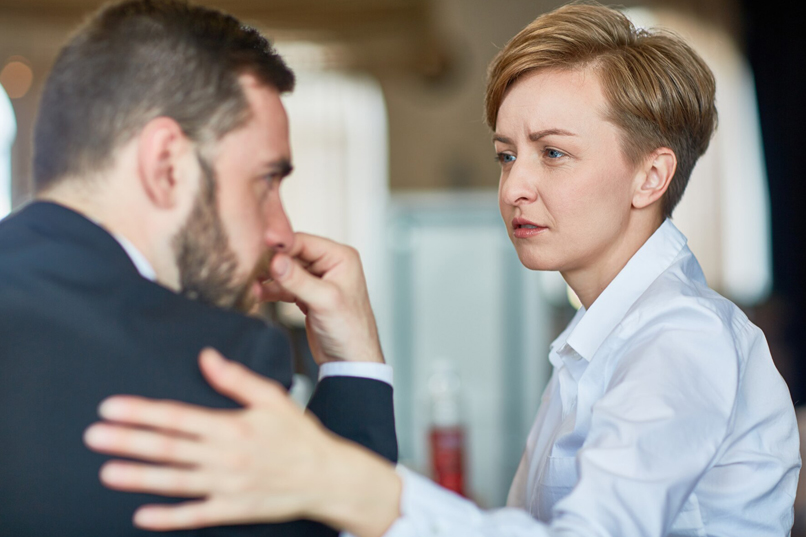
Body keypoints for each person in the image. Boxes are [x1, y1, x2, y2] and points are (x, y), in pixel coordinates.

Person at [83, 3, 801, 537]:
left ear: (651, 176)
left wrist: (341, 478)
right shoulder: (609, 334)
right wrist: (357, 354)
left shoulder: (678, 338)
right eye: (506, 154)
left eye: (553, 152)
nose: (515, 186)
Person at [0, 1, 398, 535]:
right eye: (266, 181)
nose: (281, 230)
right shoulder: (216, 367)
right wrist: (355, 371)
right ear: (167, 165)